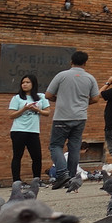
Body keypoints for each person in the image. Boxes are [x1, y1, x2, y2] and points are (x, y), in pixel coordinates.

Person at [45, 50, 100, 189]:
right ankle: (71, 176)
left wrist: (58, 100)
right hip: (80, 117)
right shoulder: (90, 78)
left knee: (56, 145)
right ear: (85, 63)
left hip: (62, 117)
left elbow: (48, 94)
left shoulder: (62, 75)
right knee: (75, 147)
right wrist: (82, 103)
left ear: (71, 61)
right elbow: (95, 98)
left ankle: (62, 174)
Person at [8, 74, 50, 182]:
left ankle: (37, 180)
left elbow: (47, 112)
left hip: (33, 131)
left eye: (27, 82)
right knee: (17, 156)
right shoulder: (17, 98)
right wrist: (24, 109)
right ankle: (16, 181)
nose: (25, 85)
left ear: (33, 84)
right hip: (18, 130)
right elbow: (11, 115)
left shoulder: (41, 97)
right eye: (23, 83)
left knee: (37, 157)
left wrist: (38, 110)